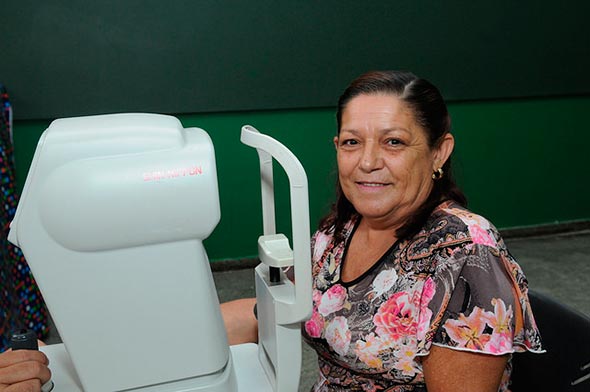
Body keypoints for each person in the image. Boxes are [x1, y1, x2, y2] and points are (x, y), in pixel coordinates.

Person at [224, 70, 544, 391]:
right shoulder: (340, 230)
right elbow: (269, 311)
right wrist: (185, 331)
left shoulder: (465, 255)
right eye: (352, 142)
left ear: (439, 153)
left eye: (393, 142)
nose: (367, 161)